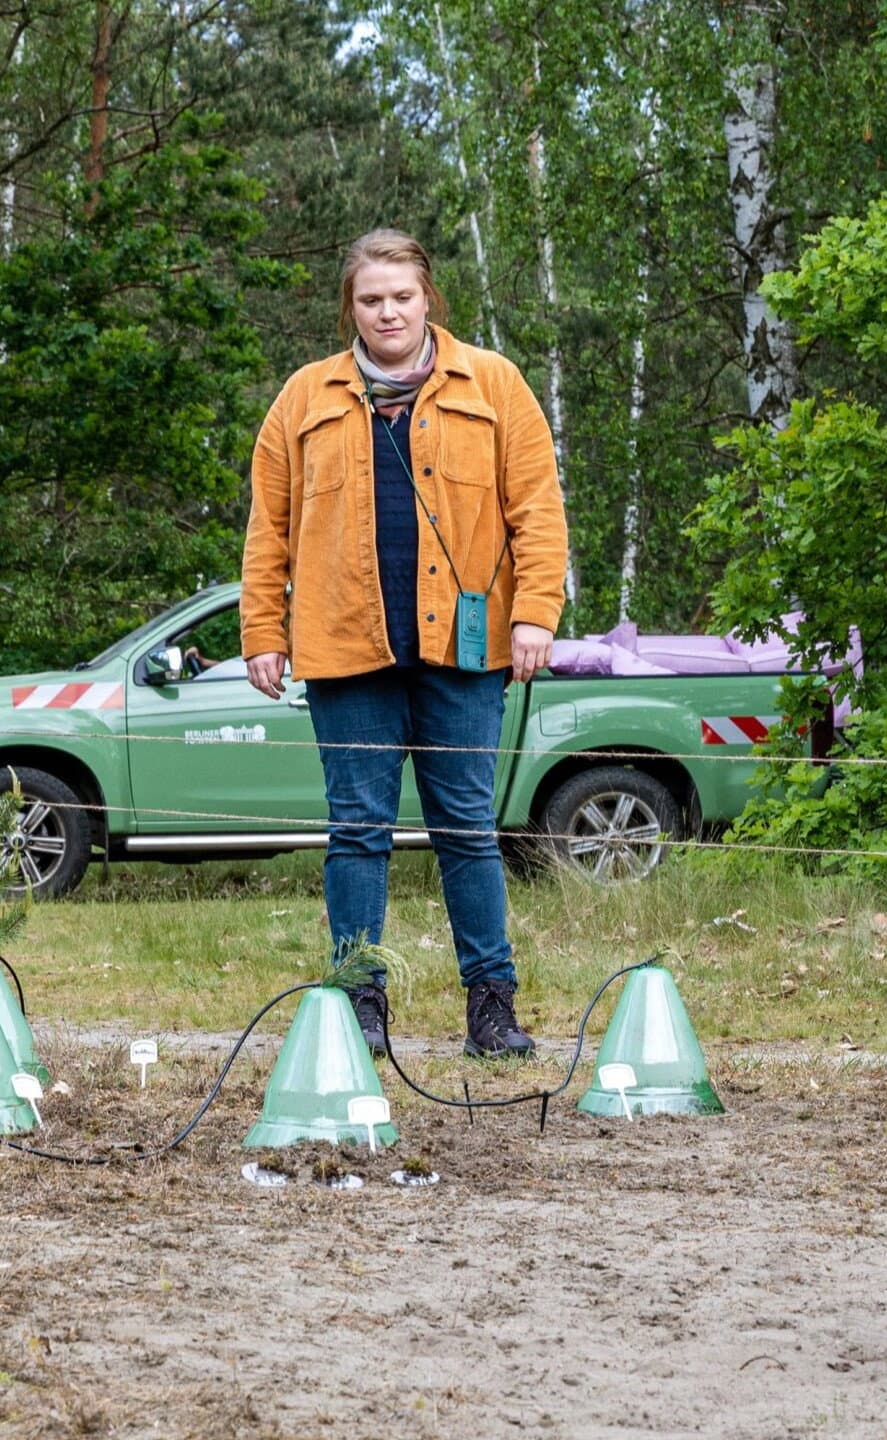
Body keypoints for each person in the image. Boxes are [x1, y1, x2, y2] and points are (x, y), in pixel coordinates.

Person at [239, 228, 568, 1058]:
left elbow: (538, 507)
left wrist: (535, 613)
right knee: (357, 829)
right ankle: (359, 1006)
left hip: (466, 652)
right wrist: (261, 632)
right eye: (370, 299)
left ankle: (492, 1008)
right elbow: (266, 530)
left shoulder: (495, 385)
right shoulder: (303, 398)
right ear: (349, 307)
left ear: (429, 300)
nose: (387, 312)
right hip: (345, 652)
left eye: (402, 297)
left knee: (467, 828)